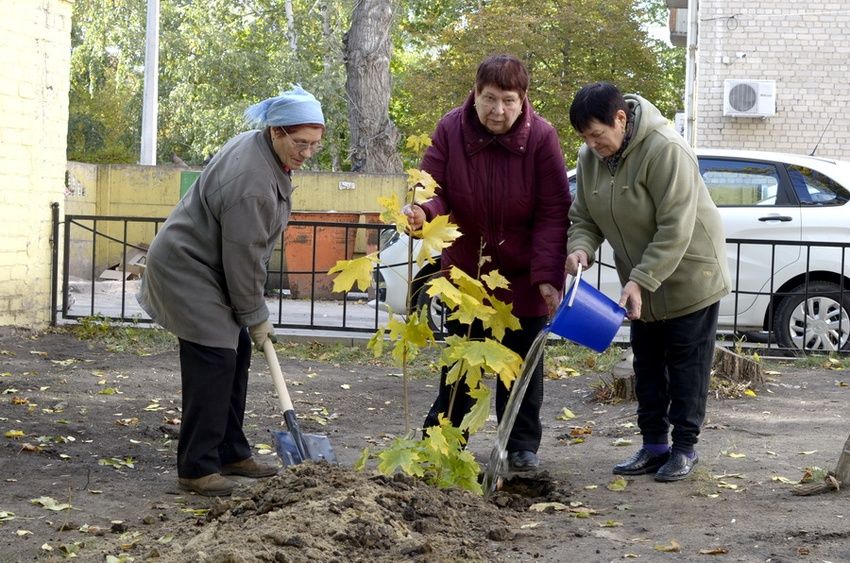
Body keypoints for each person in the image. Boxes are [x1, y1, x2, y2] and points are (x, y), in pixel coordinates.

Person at [137, 85, 325, 496]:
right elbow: (244, 258)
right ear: (276, 132)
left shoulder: (262, 147)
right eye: (300, 143)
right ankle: (197, 467)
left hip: (211, 264)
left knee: (235, 353)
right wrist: (256, 316)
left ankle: (231, 451)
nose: (307, 153)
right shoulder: (253, 183)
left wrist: (250, 319)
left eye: (315, 144)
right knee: (215, 359)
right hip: (187, 267)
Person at [403, 54, 570, 472]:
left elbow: (553, 210)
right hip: (467, 273)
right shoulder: (450, 129)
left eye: (508, 101)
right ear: (475, 94)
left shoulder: (542, 138)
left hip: (523, 274)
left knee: (521, 367)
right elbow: (435, 190)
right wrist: (424, 212)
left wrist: (548, 276)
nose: (498, 111)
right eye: (489, 99)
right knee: (462, 362)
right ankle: (445, 437)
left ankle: (520, 444)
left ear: (523, 99)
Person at [565, 82, 731, 481]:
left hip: (691, 275)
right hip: (641, 282)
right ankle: (654, 446)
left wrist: (640, 279)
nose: (591, 143)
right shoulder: (591, 157)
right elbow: (584, 216)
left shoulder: (665, 149)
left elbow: (677, 227)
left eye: (597, 134)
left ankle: (686, 449)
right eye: (585, 137)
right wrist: (581, 248)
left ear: (620, 118)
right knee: (649, 364)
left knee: (687, 368)